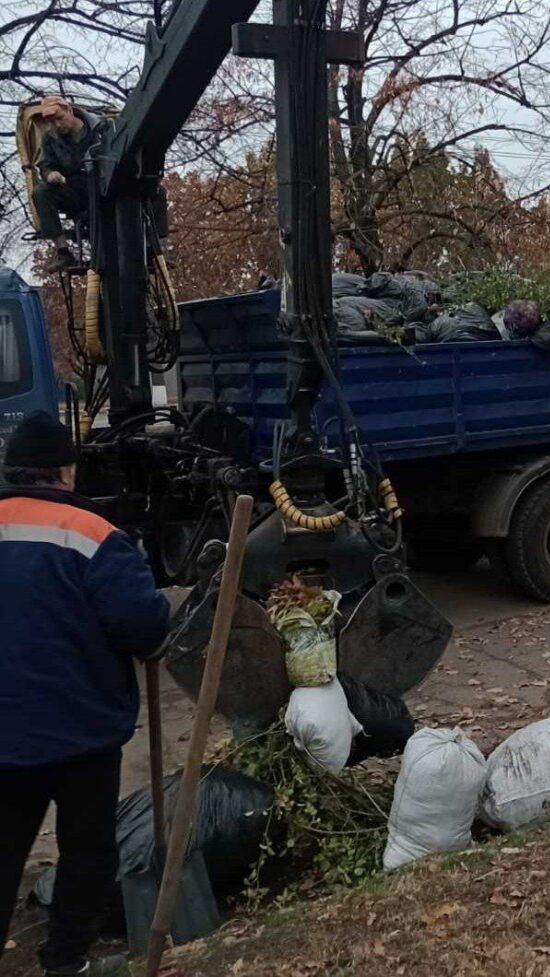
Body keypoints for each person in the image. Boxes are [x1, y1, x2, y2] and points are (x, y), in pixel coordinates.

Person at [0, 412, 170, 977]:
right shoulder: (95, 535)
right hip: (81, 734)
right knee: (87, 853)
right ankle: (65, 962)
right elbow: (144, 629)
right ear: (64, 472)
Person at [32, 97, 104, 274]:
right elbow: (45, 165)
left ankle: (156, 249)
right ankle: (63, 252)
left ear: (70, 111)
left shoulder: (101, 128)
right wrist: (50, 174)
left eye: (59, 118)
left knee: (153, 188)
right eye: (51, 122)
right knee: (41, 192)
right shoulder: (51, 139)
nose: (57, 125)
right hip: (74, 191)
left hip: (105, 186)